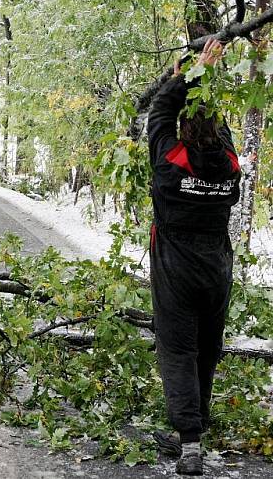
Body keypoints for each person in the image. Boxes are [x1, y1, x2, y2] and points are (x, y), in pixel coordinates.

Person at [147, 38, 241, 476]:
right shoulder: (228, 166)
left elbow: (160, 113)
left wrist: (186, 74)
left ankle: (189, 446)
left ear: (182, 131)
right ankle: (196, 428)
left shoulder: (171, 160)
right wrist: (205, 76)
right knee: (207, 347)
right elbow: (219, 133)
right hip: (217, 265)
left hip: (176, 265)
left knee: (178, 349)